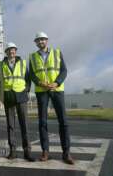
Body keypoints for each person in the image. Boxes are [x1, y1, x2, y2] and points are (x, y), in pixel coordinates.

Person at [29, 32, 74, 165]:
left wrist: (57, 82)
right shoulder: (32, 57)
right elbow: (31, 74)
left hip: (56, 89)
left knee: (63, 121)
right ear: (36, 42)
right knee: (42, 122)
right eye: (38, 40)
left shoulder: (57, 52)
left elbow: (64, 71)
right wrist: (39, 82)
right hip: (42, 91)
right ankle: (45, 151)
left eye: (42, 39)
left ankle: (66, 153)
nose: (40, 42)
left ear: (47, 40)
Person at [2, 42, 35, 162]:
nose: (11, 51)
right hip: (8, 97)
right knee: (10, 125)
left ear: (16, 51)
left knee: (24, 124)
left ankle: (27, 151)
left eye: (13, 49)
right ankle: (13, 151)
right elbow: (0, 81)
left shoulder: (22, 63)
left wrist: (26, 90)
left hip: (21, 96)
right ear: (6, 52)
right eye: (9, 50)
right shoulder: (2, 65)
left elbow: (28, 79)